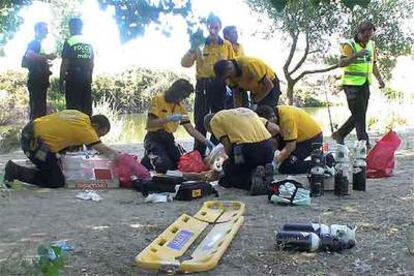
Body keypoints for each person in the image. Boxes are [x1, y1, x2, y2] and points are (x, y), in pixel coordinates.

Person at [3, 110, 119, 188]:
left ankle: (39, 163)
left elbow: (63, 132)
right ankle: (15, 171)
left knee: (57, 163)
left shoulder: (80, 115)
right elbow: (101, 148)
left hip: (31, 130)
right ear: (96, 126)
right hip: (34, 143)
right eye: (100, 134)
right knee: (56, 181)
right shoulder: (86, 130)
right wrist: (121, 156)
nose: (98, 137)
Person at [181, 14, 235, 156]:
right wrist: (192, 47)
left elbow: (231, 65)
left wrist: (230, 85)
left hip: (220, 84)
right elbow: (185, 63)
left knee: (219, 117)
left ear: (220, 26)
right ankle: (198, 153)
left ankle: (216, 151)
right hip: (203, 84)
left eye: (215, 25)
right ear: (207, 27)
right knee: (200, 118)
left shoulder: (227, 45)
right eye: (210, 25)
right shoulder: (199, 43)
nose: (213, 27)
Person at [141, 79, 213, 174]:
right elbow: (150, 123)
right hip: (154, 138)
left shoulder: (181, 107)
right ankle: (149, 158)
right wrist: (168, 119)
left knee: (181, 163)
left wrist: (207, 141)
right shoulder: (158, 99)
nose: (183, 99)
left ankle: (150, 158)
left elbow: (190, 129)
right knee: (162, 165)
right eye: (183, 96)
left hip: (168, 139)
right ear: (175, 92)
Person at [332, 21, 385, 148]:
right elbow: (341, 63)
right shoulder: (349, 45)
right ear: (360, 33)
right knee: (359, 115)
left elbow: (373, 64)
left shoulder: (371, 44)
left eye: (370, 36)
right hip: (351, 85)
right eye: (366, 36)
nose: (368, 39)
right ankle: (364, 143)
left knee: (359, 114)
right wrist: (356, 55)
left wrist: (380, 79)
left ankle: (340, 134)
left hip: (365, 84)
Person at [204, 108, 274, 195]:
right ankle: (265, 175)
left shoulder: (214, 121)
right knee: (244, 166)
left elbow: (228, 147)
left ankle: (252, 181)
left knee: (225, 177)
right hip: (269, 149)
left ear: (210, 127)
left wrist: (217, 169)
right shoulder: (243, 111)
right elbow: (275, 129)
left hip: (248, 151)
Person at [256, 105, 323, 174]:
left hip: (311, 139)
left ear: (273, 117)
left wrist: (275, 162)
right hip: (296, 137)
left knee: (286, 167)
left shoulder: (287, 119)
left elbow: (290, 146)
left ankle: (321, 163)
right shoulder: (276, 113)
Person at [214, 56, 281, 109]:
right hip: (254, 89)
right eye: (226, 78)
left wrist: (255, 102)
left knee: (266, 112)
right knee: (255, 114)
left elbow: (268, 86)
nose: (228, 79)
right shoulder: (229, 75)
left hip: (270, 86)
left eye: (228, 76)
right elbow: (237, 93)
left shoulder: (250, 65)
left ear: (230, 68)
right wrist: (238, 110)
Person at [60, 18, 94, 116]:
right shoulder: (89, 43)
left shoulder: (69, 41)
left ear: (71, 27)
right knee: (86, 108)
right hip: (86, 78)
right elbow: (92, 62)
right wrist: (90, 77)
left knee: (73, 109)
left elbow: (65, 63)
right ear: (81, 27)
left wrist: (61, 80)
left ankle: (74, 130)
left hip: (73, 78)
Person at [22, 22, 56, 120]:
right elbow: (29, 55)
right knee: (38, 109)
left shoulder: (38, 44)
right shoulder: (35, 42)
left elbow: (34, 59)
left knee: (39, 108)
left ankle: (36, 131)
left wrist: (46, 64)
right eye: (45, 29)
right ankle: (34, 132)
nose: (47, 32)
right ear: (38, 30)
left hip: (40, 80)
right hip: (36, 80)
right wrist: (47, 56)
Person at [223, 25, 246, 108]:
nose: (236, 34)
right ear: (226, 35)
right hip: (230, 83)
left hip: (242, 82)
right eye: (233, 32)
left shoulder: (240, 46)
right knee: (231, 107)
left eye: (237, 32)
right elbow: (224, 64)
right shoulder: (224, 45)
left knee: (244, 107)